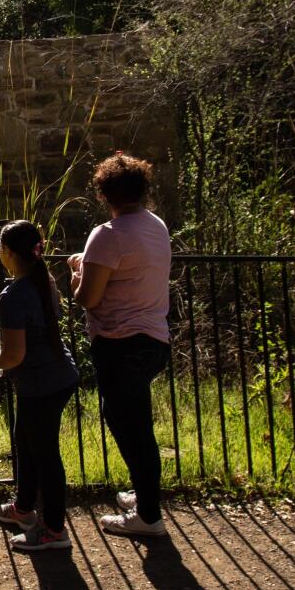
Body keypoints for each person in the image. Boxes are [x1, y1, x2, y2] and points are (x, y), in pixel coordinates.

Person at [69, 152, 172, 538]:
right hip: (153, 339)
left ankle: (148, 516)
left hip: (120, 343)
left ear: (104, 193)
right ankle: (145, 496)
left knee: (135, 427)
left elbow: (88, 298)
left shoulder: (107, 234)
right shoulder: (156, 226)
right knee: (125, 420)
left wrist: (77, 273)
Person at [0, 220, 79, 551]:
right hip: (56, 374)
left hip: (41, 382)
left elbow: (13, 354)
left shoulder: (12, 297)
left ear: (7, 253)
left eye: (0, 248)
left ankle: (53, 529)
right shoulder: (44, 281)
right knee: (25, 441)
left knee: (45, 455)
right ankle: (23, 508)